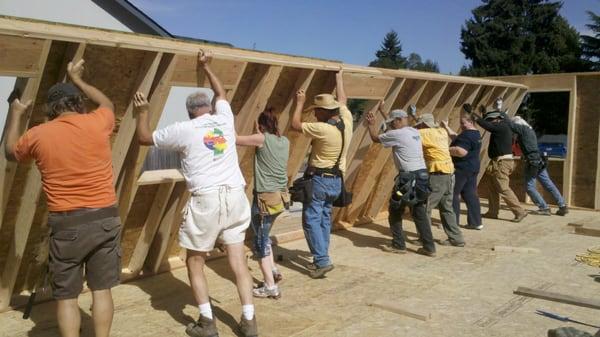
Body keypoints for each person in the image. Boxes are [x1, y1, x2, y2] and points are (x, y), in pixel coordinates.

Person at [133, 50, 258, 337]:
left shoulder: (184, 129)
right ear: (210, 108)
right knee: (238, 261)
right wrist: (207, 66)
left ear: (189, 112)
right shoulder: (224, 119)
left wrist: (142, 112)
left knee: (195, 261)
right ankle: (249, 322)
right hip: (236, 196)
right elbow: (220, 92)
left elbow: (143, 138)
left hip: (208, 200)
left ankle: (207, 322)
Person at [5, 59, 120, 337]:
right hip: (105, 218)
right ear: (78, 103)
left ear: (51, 109)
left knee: (67, 296)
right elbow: (108, 104)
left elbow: (10, 153)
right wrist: (78, 79)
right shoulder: (97, 122)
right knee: (101, 290)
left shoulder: (38, 135)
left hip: (67, 226)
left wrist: (16, 113)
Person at [290, 68, 353, 278]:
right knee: (324, 218)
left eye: (317, 110)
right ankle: (322, 256)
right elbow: (342, 98)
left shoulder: (323, 129)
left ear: (326, 112)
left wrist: (300, 102)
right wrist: (339, 76)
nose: (315, 113)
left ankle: (322, 261)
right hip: (336, 181)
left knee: (310, 219)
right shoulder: (347, 120)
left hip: (320, 180)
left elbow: (295, 125)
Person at [365, 107, 437, 257]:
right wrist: (385, 112)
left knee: (395, 209)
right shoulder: (413, 131)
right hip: (422, 177)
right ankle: (429, 247)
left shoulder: (396, 134)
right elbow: (394, 127)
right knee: (419, 212)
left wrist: (371, 125)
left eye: (393, 122)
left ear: (398, 121)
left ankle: (399, 245)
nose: (392, 124)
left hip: (407, 181)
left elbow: (375, 138)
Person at [236, 109, 290, 299]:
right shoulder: (284, 141)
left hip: (264, 200)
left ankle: (270, 286)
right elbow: (264, 141)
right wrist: (258, 132)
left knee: (259, 243)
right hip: (280, 198)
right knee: (264, 236)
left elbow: (235, 139)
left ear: (260, 126)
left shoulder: (261, 140)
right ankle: (273, 270)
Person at [470, 98, 527, 223]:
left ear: (497, 119)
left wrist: (473, 115)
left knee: (503, 188)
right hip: (498, 162)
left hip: (502, 163)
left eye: (492, 120)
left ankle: (519, 211)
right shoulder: (502, 126)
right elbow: (489, 124)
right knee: (492, 187)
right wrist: (484, 114)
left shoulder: (502, 127)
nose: (490, 122)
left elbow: (487, 125)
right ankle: (492, 212)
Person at [414, 113, 465, 247]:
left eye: (419, 124)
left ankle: (424, 238)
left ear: (424, 125)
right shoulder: (441, 131)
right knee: (446, 207)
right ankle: (456, 238)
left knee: (425, 207)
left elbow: (406, 134)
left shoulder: (424, 133)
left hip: (438, 174)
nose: (418, 127)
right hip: (449, 173)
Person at [510, 116, 568, 216]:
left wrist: (501, 113)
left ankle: (544, 208)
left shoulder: (523, 130)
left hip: (532, 162)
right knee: (548, 184)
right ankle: (562, 205)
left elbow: (509, 125)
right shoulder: (530, 130)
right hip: (539, 160)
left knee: (529, 187)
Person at [441, 113, 483, 230]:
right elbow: (457, 138)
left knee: (453, 194)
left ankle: (453, 223)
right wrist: (446, 127)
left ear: (470, 122)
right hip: (472, 168)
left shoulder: (467, 135)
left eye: (463, 123)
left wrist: (443, 149)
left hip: (462, 169)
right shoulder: (476, 134)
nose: (461, 125)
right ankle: (476, 222)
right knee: (470, 194)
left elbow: (461, 151)